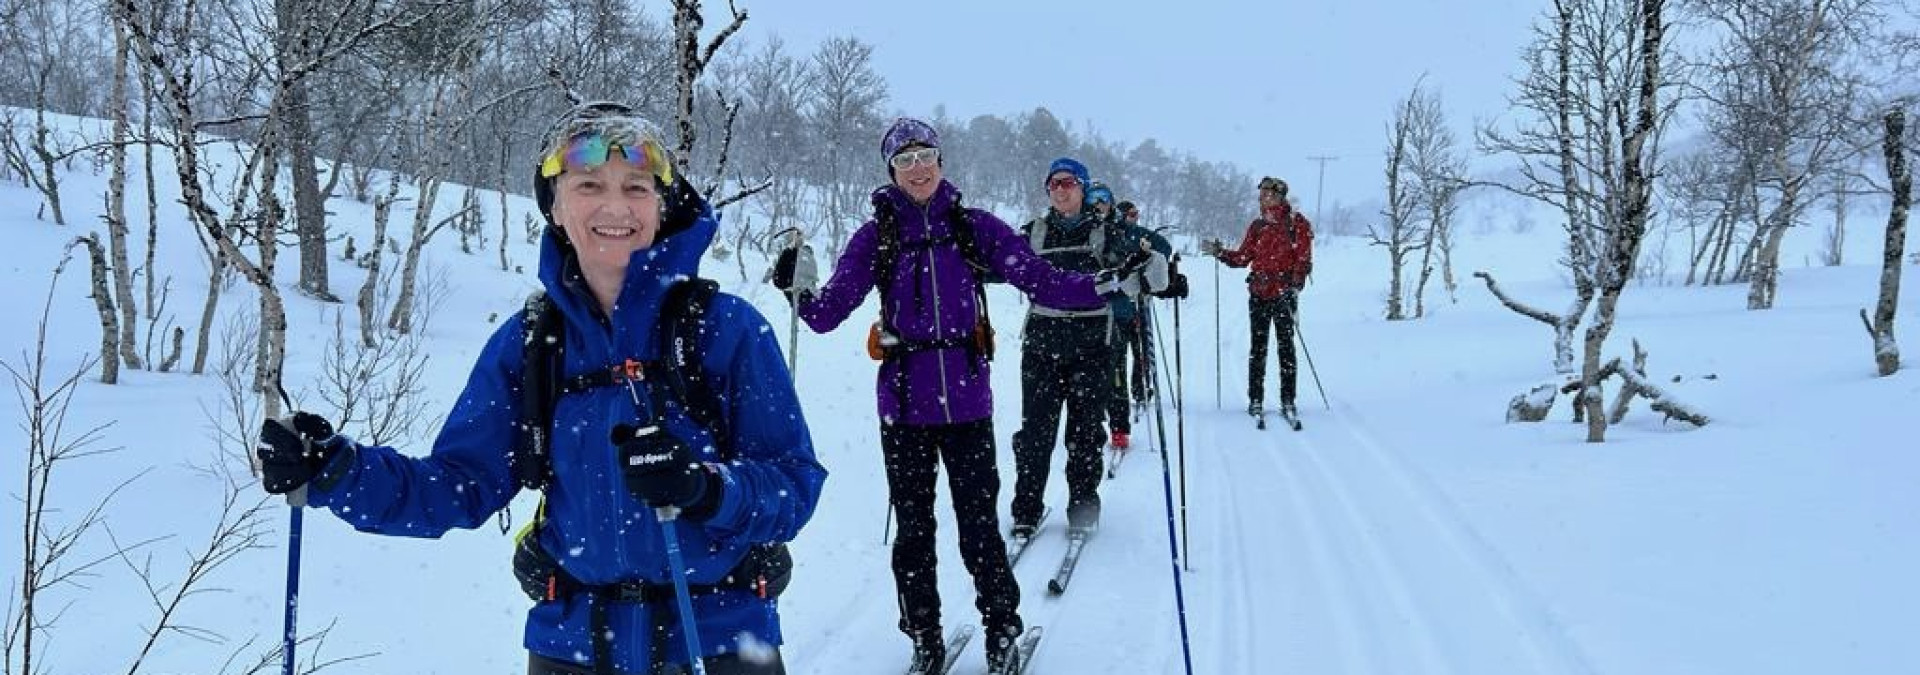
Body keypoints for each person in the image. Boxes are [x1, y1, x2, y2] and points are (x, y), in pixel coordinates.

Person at [255, 101, 826, 675]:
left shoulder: (727, 328)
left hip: (718, 640)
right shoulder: (530, 342)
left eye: (636, 187)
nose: (614, 206)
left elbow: (793, 486)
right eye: (589, 185)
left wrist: (705, 488)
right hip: (573, 645)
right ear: (554, 205)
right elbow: (458, 486)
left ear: (662, 205)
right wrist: (336, 471)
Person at [771, 118, 1135, 674]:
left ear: (941, 162)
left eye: (926, 155)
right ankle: (923, 634)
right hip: (903, 408)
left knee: (979, 525)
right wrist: (797, 287)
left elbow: (1038, 277)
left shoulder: (974, 228)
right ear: (891, 169)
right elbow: (826, 313)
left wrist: (1104, 283)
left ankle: (1001, 628)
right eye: (906, 158)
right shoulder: (877, 237)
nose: (918, 167)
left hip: (967, 403)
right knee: (914, 534)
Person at [1010, 161, 1166, 539]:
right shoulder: (1034, 232)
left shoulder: (1108, 231)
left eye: (1067, 184)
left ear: (1082, 187)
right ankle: (1026, 510)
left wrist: (1157, 272)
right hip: (1042, 344)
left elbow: (1154, 259)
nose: (1060, 191)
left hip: (1092, 343)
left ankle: (1082, 509)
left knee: (1084, 434)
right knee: (1035, 433)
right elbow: (996, 264)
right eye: (1053, 185)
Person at [1201, 175, 1314, 420]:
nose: (1263, 198)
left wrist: (1293, 286)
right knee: (1258, 349)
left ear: (1281, 196)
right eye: (1261, 194)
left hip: (1284, 294)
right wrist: (1220, 253)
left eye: (1268, 194)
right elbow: (1243, 258)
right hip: (1259, 294)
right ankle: (1255, 399)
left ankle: (1288, 399)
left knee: (1286, 349)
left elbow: (1303, 260)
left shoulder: (1296, 224)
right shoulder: (1258, 226)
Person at [1085, 190, 1171, 450]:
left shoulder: (1126, 230)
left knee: (1116, 372)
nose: (1098, 205)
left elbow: (1163, 249)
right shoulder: (1085, 229)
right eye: (1093, 200)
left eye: (1103, 199)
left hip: (1121, 310)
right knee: (1090, 373)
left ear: (1111, 204)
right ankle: (1092, 423)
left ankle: (1119, 428)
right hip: (1089, 312)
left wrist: (1148, 272)